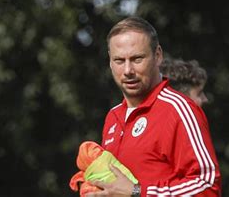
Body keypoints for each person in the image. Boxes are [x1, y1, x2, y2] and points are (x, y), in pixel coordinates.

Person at [87, 17, 221, 196]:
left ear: (157, 56)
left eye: (137, 59)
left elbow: (208, 186)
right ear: (110, 63)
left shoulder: (179, 109)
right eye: (119, 61)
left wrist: (138, 192)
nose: (128, 71)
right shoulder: (113, 116)